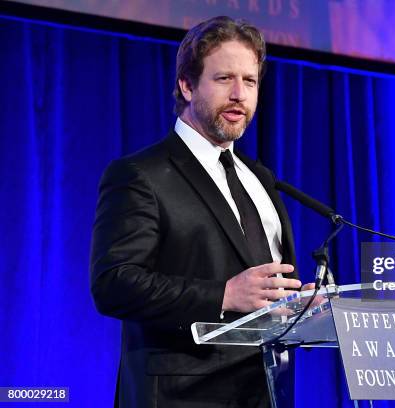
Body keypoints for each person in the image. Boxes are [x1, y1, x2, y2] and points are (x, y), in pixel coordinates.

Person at [90, 16, 306, 407]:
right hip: (182, 397)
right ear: (187, 86)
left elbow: (265, 293)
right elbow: (114, 284)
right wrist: (223, 294)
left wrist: (299, 308)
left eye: (250, 81)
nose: (240, 94)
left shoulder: (259, 177)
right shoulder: (141, 174)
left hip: (265, 394)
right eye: (224, 79)